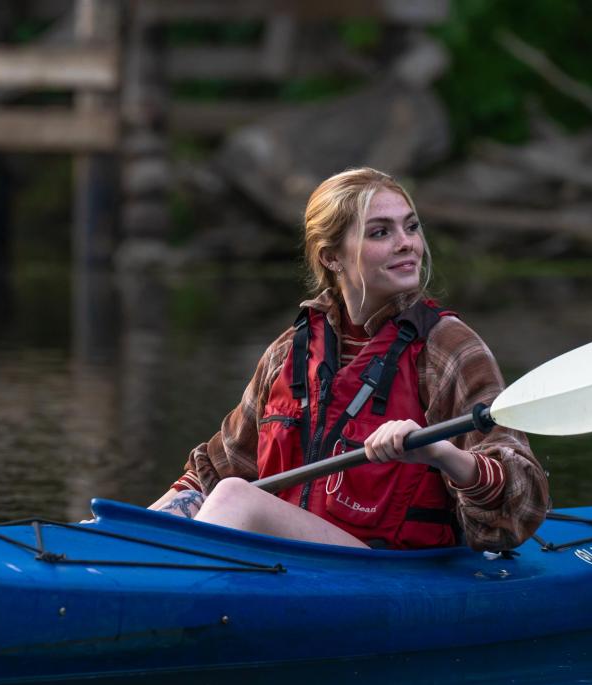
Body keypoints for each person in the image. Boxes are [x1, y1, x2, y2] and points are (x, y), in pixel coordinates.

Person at [149, 167, 549, 551]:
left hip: (387, 575)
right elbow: (213, 472)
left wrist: (440, 453)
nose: (407, 242)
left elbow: (523, 501)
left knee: (236, 498)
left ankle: (173, 599)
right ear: (331, 257)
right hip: (282, 568)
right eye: (381, 232)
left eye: (411, 227)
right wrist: (112, 535)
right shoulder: (289, 352)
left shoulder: (448, 347)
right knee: (195, 502)